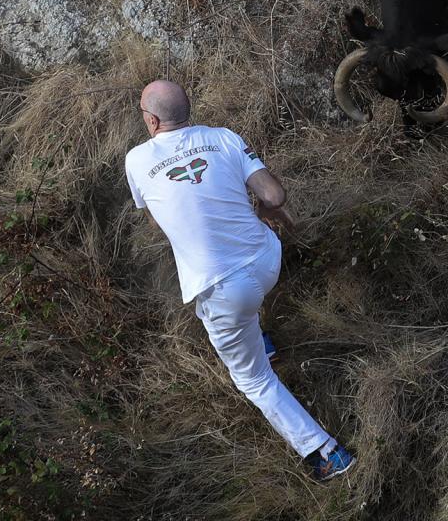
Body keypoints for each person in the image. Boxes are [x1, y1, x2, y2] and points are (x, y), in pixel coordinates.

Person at [124, 78, 356, 482]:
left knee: (254, 380)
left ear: (151, 120)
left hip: (223, 289)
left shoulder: (136, 161)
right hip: (267, 259)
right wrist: (263, 211)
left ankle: (325, 452)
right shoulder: (224, 137)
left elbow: (158, 219)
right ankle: (260, 340)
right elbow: (274, 195)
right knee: (246, 295)